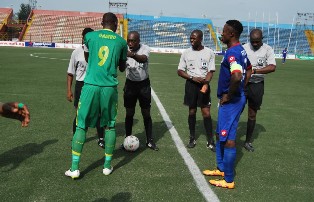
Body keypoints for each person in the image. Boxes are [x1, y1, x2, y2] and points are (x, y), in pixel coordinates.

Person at [65, 12, 127, 179]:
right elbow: (122, 67)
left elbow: (87, 57)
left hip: (90, 85)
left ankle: (74, 168)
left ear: (101, 23)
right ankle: (107, 166)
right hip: (109, 88)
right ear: (115, 23)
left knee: (81, 125)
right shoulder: (122, 42)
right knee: (110, 126)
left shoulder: (90, 36)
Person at [203, 20, 251, 189]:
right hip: (234, 99)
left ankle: (228, 180)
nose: (221, 34)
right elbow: (249, 69)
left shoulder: (233, 53)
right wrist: (242, 89)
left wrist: (229, 95)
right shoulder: (240, 50)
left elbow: (237, 76)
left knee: (229, 139)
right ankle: (222, 168)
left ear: (231, 34)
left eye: (223, 31)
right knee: (220, 134)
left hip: (231, 102)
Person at [177, 29, 216, 152]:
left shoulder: (209, 52)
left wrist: (206, 83)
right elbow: (180, 71)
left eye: (194, 38)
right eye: (191, 38)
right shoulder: (186, 53)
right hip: (191, 85)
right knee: (192, 111)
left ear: (200, 39)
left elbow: (211, 71)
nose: (192, 40)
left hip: (204, 85)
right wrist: (192, 77)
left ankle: (210, 140)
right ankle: (192, 138)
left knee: (206, 112)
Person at [66, 27, 104, 148]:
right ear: (82, 37)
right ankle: (75, 138)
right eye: (85, 37)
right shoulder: (76, 52)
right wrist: (69, 90)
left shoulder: (98, 51)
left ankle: (101, 138)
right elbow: (70, 72)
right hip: (81, 85)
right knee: (80, 113)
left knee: (98, 113)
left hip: (94, 84)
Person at [122, 31, 159, 151]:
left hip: (143, 85)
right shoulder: (124, 49)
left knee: (146, 113)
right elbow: (122, 68)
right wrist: (121, 59)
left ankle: (149, 140)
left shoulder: (145, 48)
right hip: (130, 85)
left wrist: (131, 54)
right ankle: (127, 140)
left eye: (133, 41)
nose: (130, 43)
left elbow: (143, 59)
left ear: (139, 41)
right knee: (129, 113)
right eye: (129, 40)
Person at [242, 29, 276, 152]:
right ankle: (229, 137)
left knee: (252, 113)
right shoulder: (244, 48)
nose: (255, 44)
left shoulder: (268, 49)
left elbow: (272, 67)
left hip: (257, 84)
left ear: (262, 39)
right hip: (243, 83)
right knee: (235, 110)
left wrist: (254, 71)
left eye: (257, 41)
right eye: (253, 41)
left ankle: (247, 141)